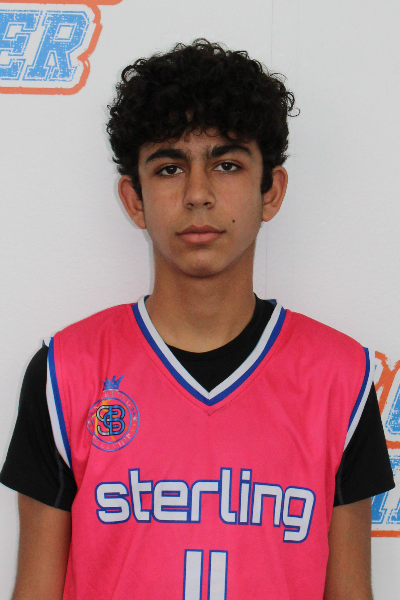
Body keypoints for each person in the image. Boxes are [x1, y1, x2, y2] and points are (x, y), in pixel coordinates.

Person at [0, 39, 394, 600]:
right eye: (169, 168)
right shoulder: (65, 373)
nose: (198, 195)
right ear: (134, 200)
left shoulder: (341, 378)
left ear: (271, 191)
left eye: (227, 164)